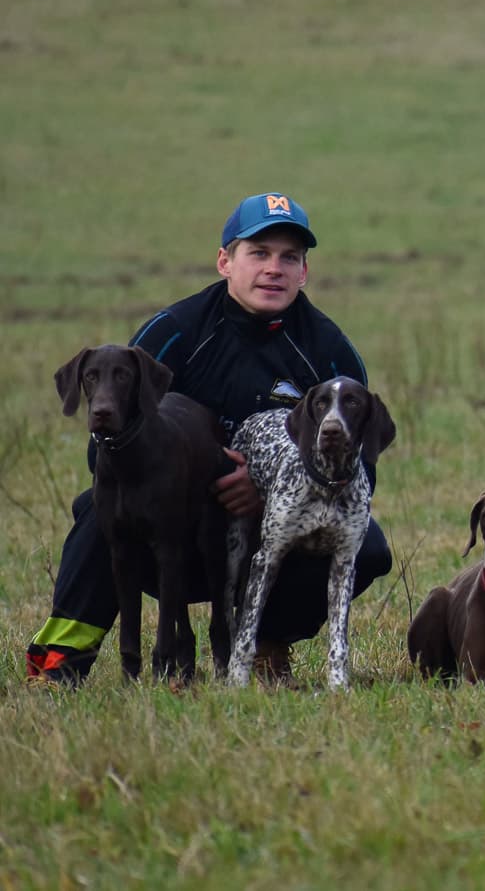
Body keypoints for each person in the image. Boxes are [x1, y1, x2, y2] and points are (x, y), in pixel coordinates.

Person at [26, 193, 393, 685]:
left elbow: (361, 467)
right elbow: (106, 448)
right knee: (99, 508)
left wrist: (264, 494)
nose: (274, 269)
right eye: (258, 253)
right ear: (225, 261)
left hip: (275, 526)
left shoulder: (329, 351)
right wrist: (202, 483)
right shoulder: (173, 333)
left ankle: (264, 644)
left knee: (367, 545)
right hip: (174, 524)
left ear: (304, 272)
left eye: (290, 257)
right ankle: (58, 661)